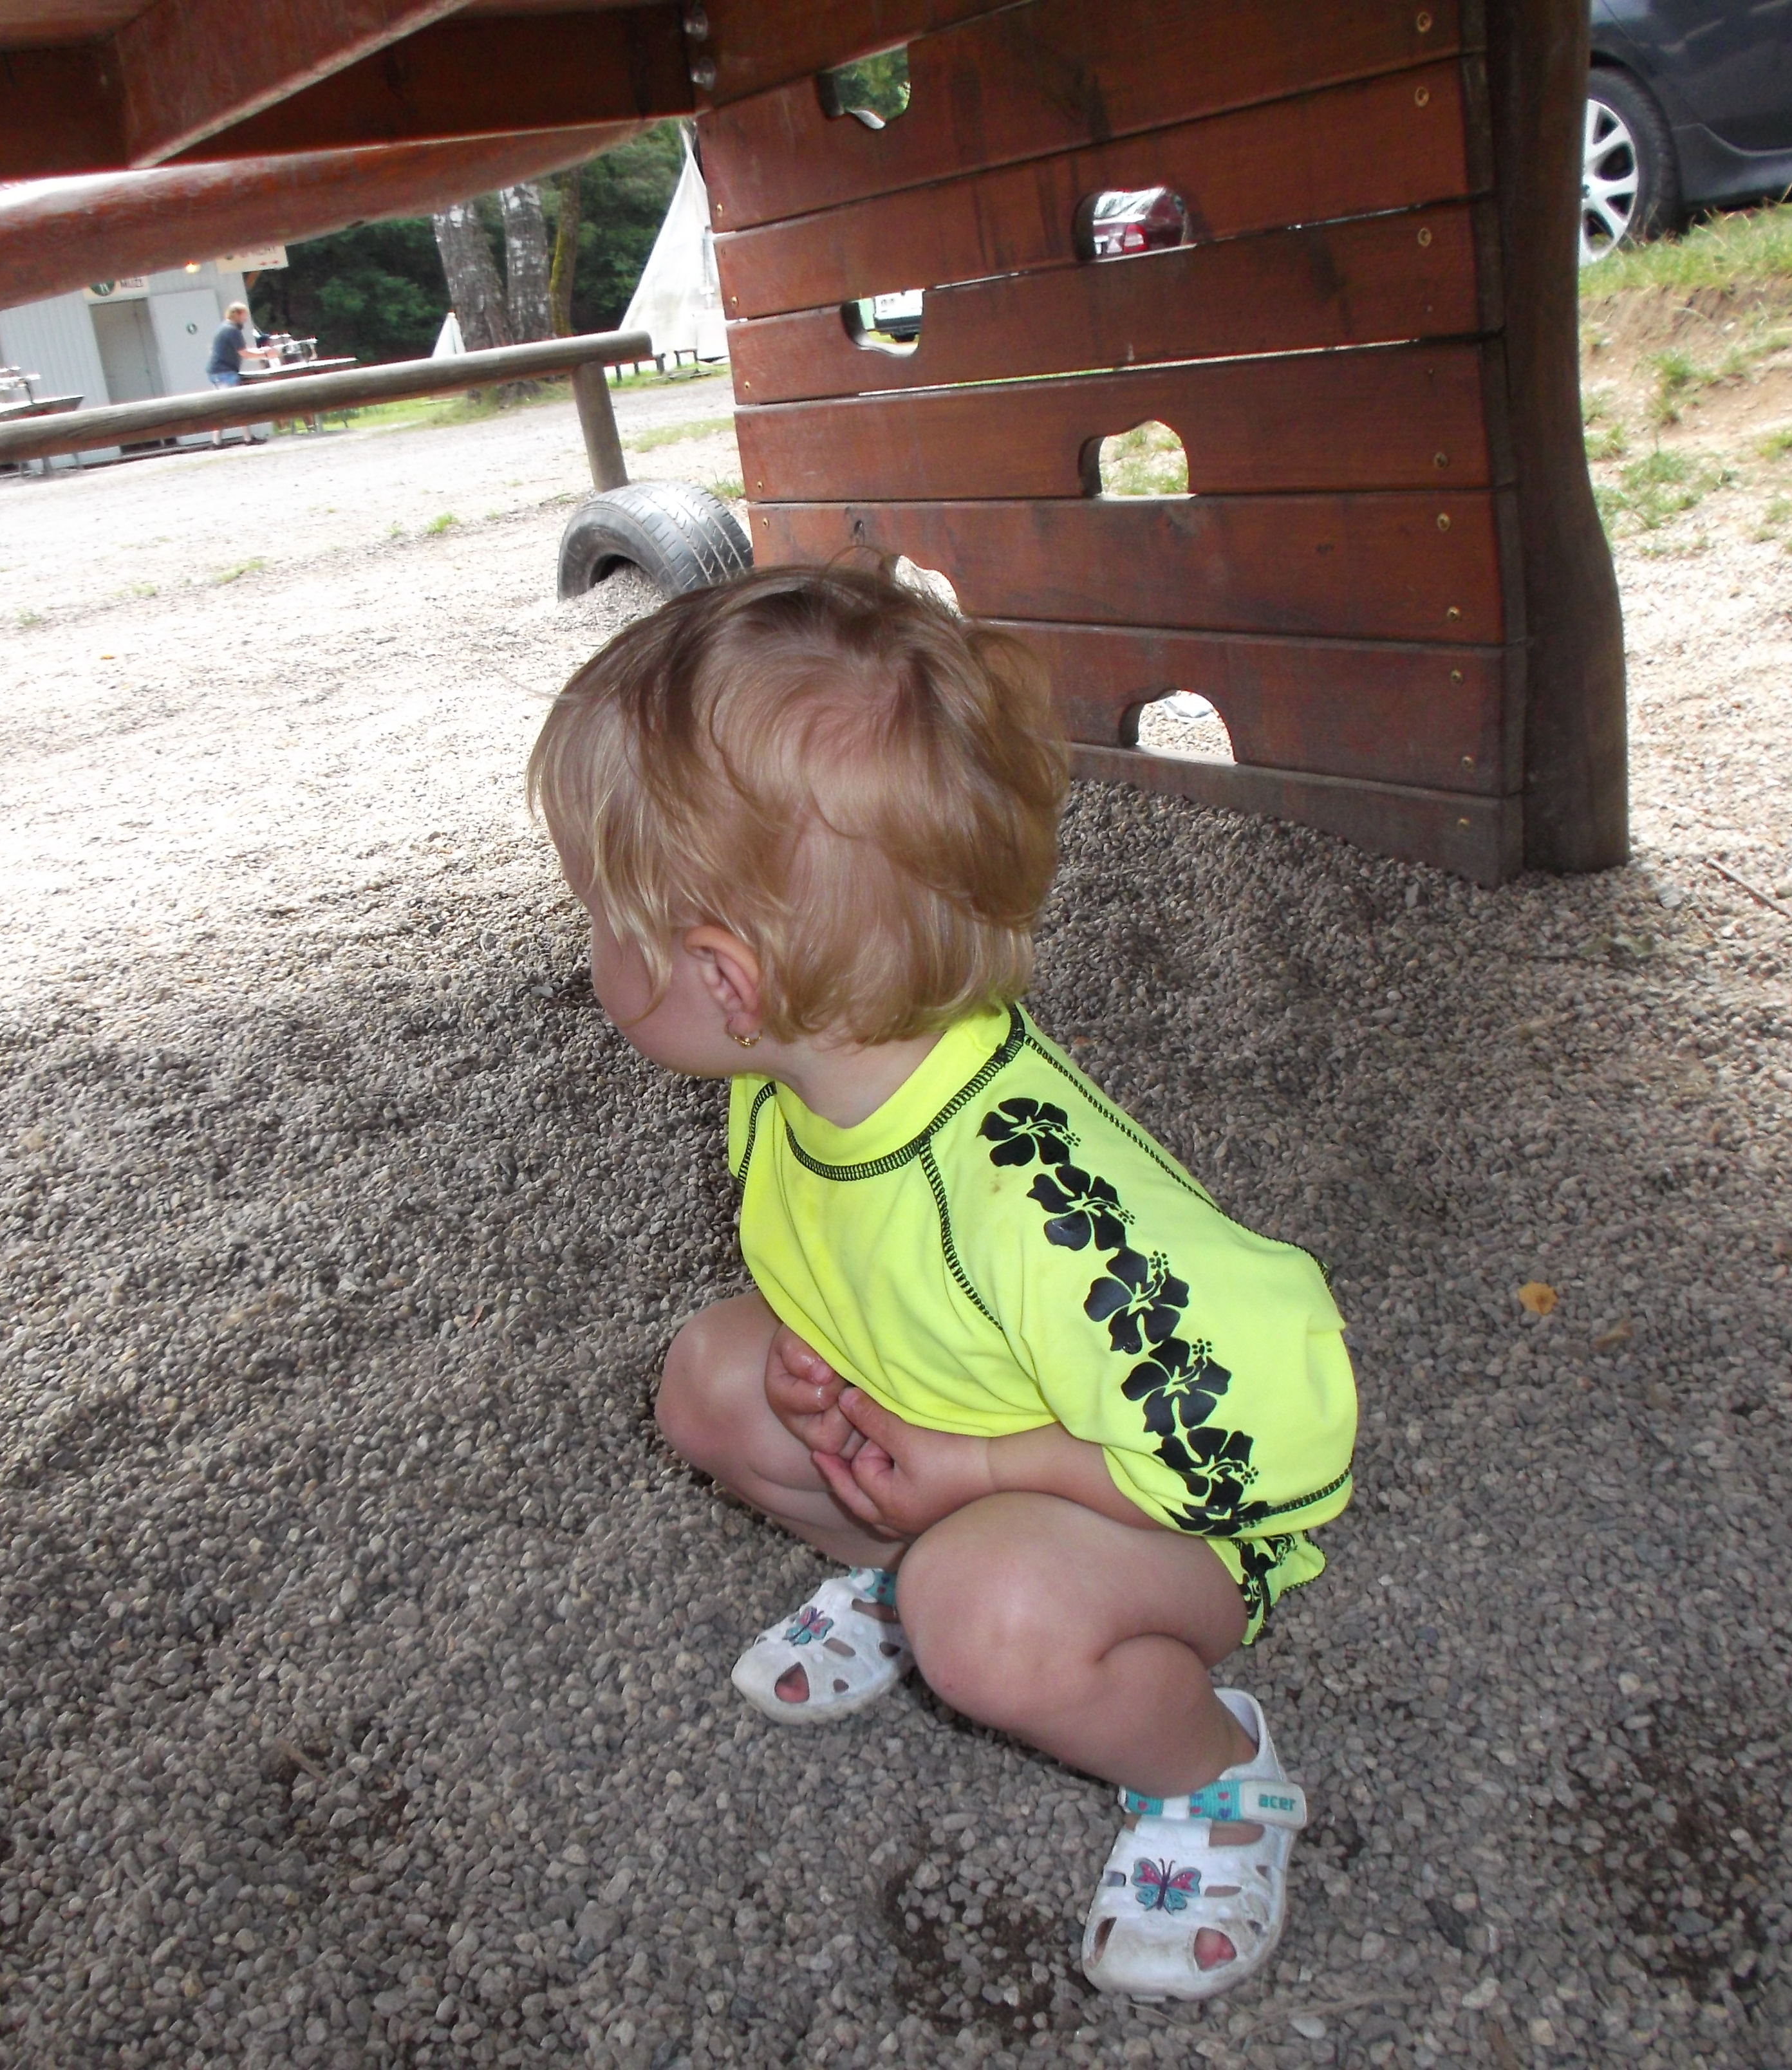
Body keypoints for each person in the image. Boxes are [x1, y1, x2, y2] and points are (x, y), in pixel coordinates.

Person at [527, 565, 1358, 2001]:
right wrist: (821, 1363)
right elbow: (860, 1274)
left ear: (725, 980)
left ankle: (1211, 1774)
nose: (587, 944)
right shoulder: (795, 1082)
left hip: (1168, 1523)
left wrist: (978, 1470)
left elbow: (1264, 1436)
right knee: (715, 1378)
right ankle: (898, 1575)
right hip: (949, 1435)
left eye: (601, 915)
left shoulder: (1035, 1197)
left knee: (989, 1619)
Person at [206, 302, 253, 387]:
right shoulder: (232, 330)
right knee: (233, 395)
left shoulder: (224, 328)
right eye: (244, 316)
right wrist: (267, 354)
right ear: (236, 314)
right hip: (225, 373)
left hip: (216, 372)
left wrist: (261, 351)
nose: (245, 319)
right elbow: (244, 353)